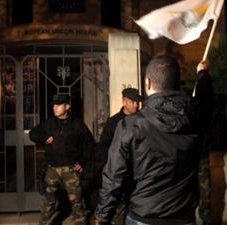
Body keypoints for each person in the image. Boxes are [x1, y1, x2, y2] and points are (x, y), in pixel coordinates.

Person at [95, 56, 214, 225]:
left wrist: (102, 217)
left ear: (148, 83)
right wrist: (202, 74)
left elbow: (114, 177)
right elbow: (206, 100)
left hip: (143, 216)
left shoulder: (130, 125)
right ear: (176, 82)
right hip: (183, 216)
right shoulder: (195, 118)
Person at [29, 94, 95, 225]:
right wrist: (44, 138)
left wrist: (82, 161)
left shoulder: (77, 124)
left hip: (71, 169)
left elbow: (89, 144)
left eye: (59, 105)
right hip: (52, 169)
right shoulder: (48, 123)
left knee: (76, 201)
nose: (55, 107)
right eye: (54, 104)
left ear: (67, 106)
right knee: (49, 201)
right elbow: (33, 134)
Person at [96, 88, 142, 225]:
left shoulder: (142, 119)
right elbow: (104, 147)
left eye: (138, 102)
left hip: (137, 177)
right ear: (125, 101)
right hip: (118, 176)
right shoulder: (113, 122)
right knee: (118, 215)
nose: (137, 105)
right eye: (133, 102)